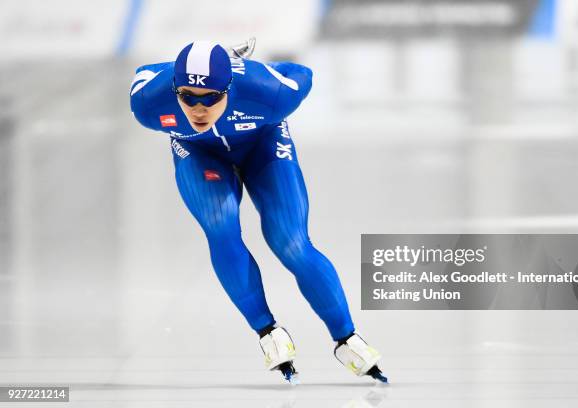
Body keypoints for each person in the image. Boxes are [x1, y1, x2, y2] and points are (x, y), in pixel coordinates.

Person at [129, 39, 387, 384]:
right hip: (198, 153)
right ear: (175, 89)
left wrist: (244, 66)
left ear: (230, 88)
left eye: (211, 98)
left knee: (290, 241)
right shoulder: (148, 104)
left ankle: (346, 338)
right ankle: (268, 332)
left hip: (261, 145)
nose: (199, 109)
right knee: (219, 224)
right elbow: (146, 72)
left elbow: (300, 73)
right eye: (188, 97)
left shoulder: (271, 93)